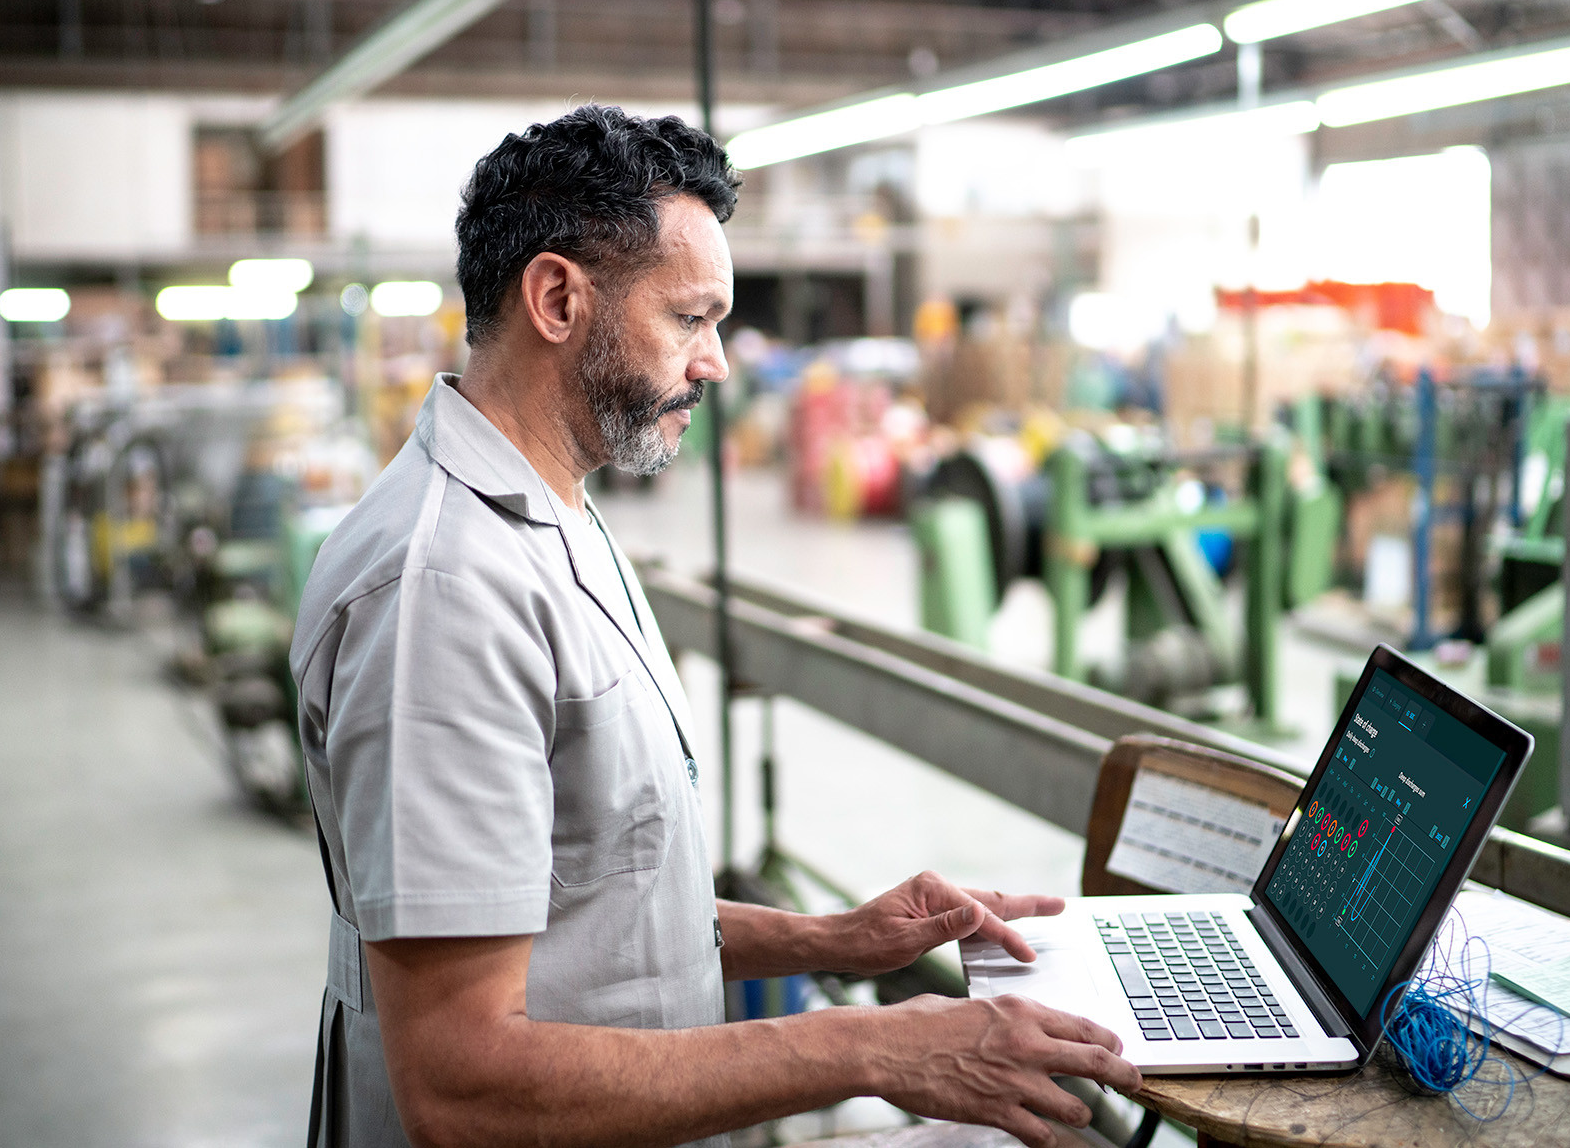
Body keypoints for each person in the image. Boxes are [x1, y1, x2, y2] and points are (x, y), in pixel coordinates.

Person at [290, 105, 1140, 1148]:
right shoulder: (444, 589)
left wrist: (832, 936)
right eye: (690, 319)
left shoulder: (552, 509)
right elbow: (460, 1080)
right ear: (556, 297)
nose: (717, 364)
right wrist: (870, 1047)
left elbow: (589, 908)